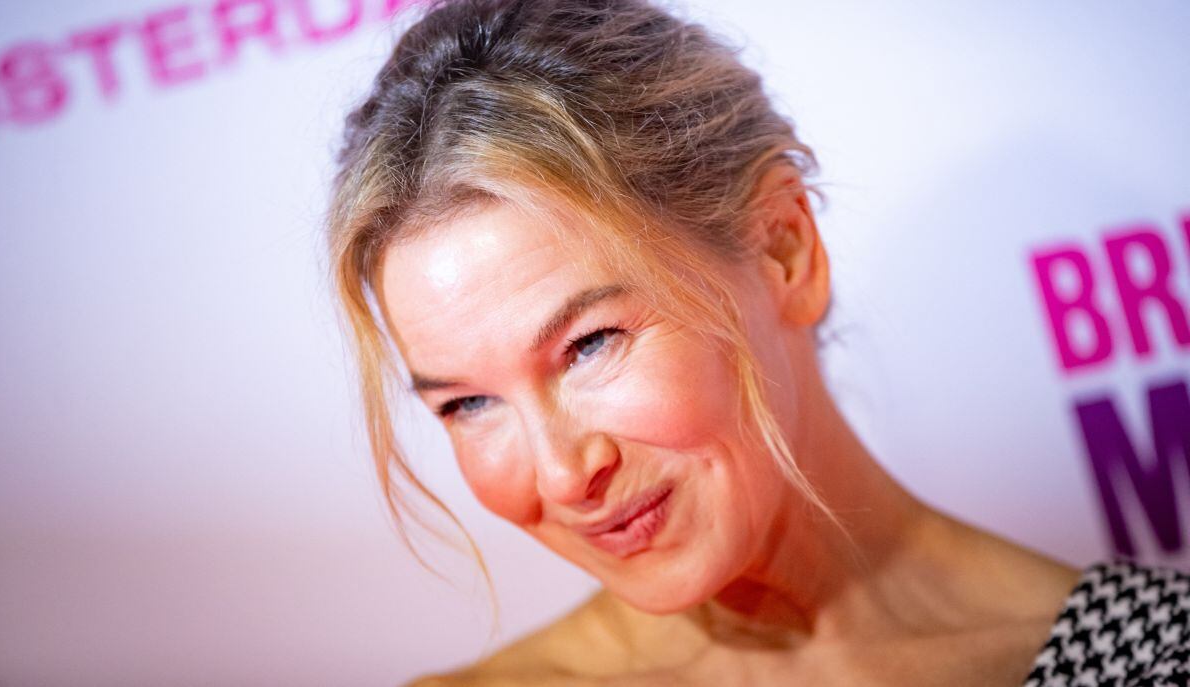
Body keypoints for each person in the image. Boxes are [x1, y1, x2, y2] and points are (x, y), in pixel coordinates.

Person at [324, 0, 1190, 684]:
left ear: (784, 250)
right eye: (469, 403)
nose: (558, 476)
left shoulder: (1152, 658)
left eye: (589, 344)